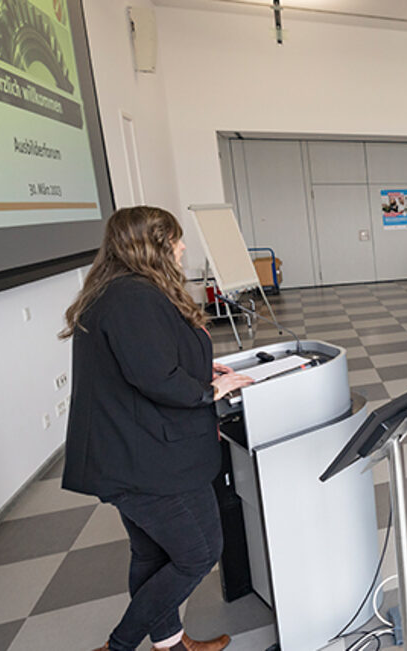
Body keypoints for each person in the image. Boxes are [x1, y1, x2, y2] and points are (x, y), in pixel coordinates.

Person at [62, 207, 252, 651]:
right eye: (176, 240)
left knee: (151, 553)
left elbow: (150, 359)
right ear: (153, 246)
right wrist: (213, 389)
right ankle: (120, 645)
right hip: (148, 459)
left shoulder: (118, 290)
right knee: (198, 553)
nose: (183, 247)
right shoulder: (133, 296)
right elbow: (156, 378)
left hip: (131, 453)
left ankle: (169, 644)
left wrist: (202, 367)